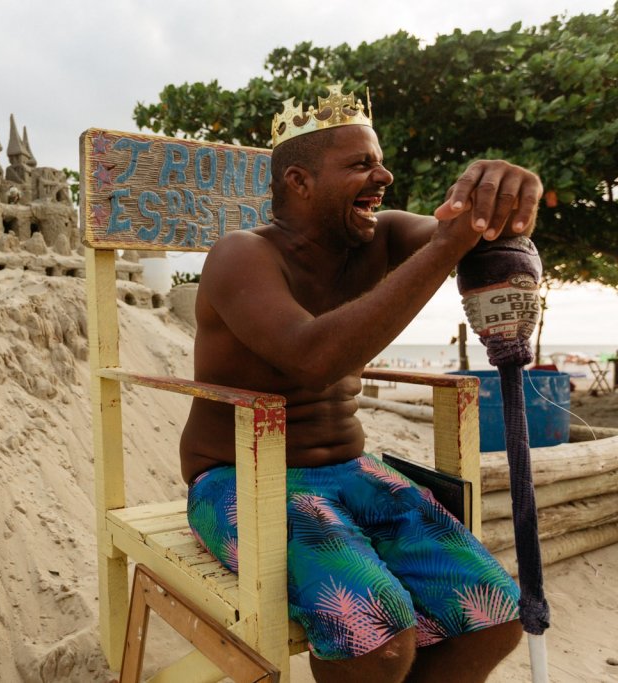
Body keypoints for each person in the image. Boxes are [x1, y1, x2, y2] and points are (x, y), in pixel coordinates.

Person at [180, 85, 540, 683]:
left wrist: (492, 202)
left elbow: (477, 240)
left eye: (378, 159)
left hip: (352, 471)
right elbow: (311, 358)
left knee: (498, 615)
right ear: (298, 182)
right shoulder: (240, 255)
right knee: (380, 636)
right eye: (361, 164)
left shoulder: (387, 237)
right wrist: (451, 244)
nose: (384, 175)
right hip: (240, 479)